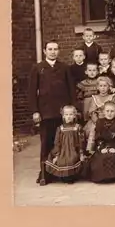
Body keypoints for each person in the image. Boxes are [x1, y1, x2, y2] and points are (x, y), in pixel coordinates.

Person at [28, 41, 76, 185]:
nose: (53, 52)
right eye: (50, 49)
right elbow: (31, 92)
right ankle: (44, 173)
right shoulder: (37, 68)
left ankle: (63, 172)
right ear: (44, 51)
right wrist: (35, 111)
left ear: (59, 51)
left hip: (63, 113)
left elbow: (71, 89)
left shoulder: (64, 68)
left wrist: (73, 108)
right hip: (46, 112)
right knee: (46, 143)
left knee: (64, 142)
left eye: (55, 49)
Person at [84, 101, 115, 183]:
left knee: (113, 157)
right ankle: (101, 178)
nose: (109, 113)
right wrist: (102, 148)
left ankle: (114, 177)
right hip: (102, 145)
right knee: (101, 158)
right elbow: (98, 137)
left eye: (112, 111)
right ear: (103, 112)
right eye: (107, 111)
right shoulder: (100, 122)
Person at [43, 105, 86, 184]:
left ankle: (71, 176)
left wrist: (81, 152)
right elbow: (57, 142)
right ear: (63, 116)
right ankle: (63, 176)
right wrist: (56, 154)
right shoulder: (60, 128)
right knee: (60, 161)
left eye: (70, 114)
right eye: (66, 115)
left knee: (72, 160)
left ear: (74, 116)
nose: (68, 117)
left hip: (73, 150)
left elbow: (81, 141)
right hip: (63, 151)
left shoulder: (77, 127)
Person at [84, 76, 115, 151]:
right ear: (97, 87)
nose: (103, 88)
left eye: (105, 86)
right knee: (93, 129)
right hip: (97, 120)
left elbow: (113, 110)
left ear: (109, 87)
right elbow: (92, 112)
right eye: (101, 86)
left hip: (109, 119)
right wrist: (98, 122)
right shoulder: (94, 97)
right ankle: (90, 150)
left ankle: (108, 148)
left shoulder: (112, 97)